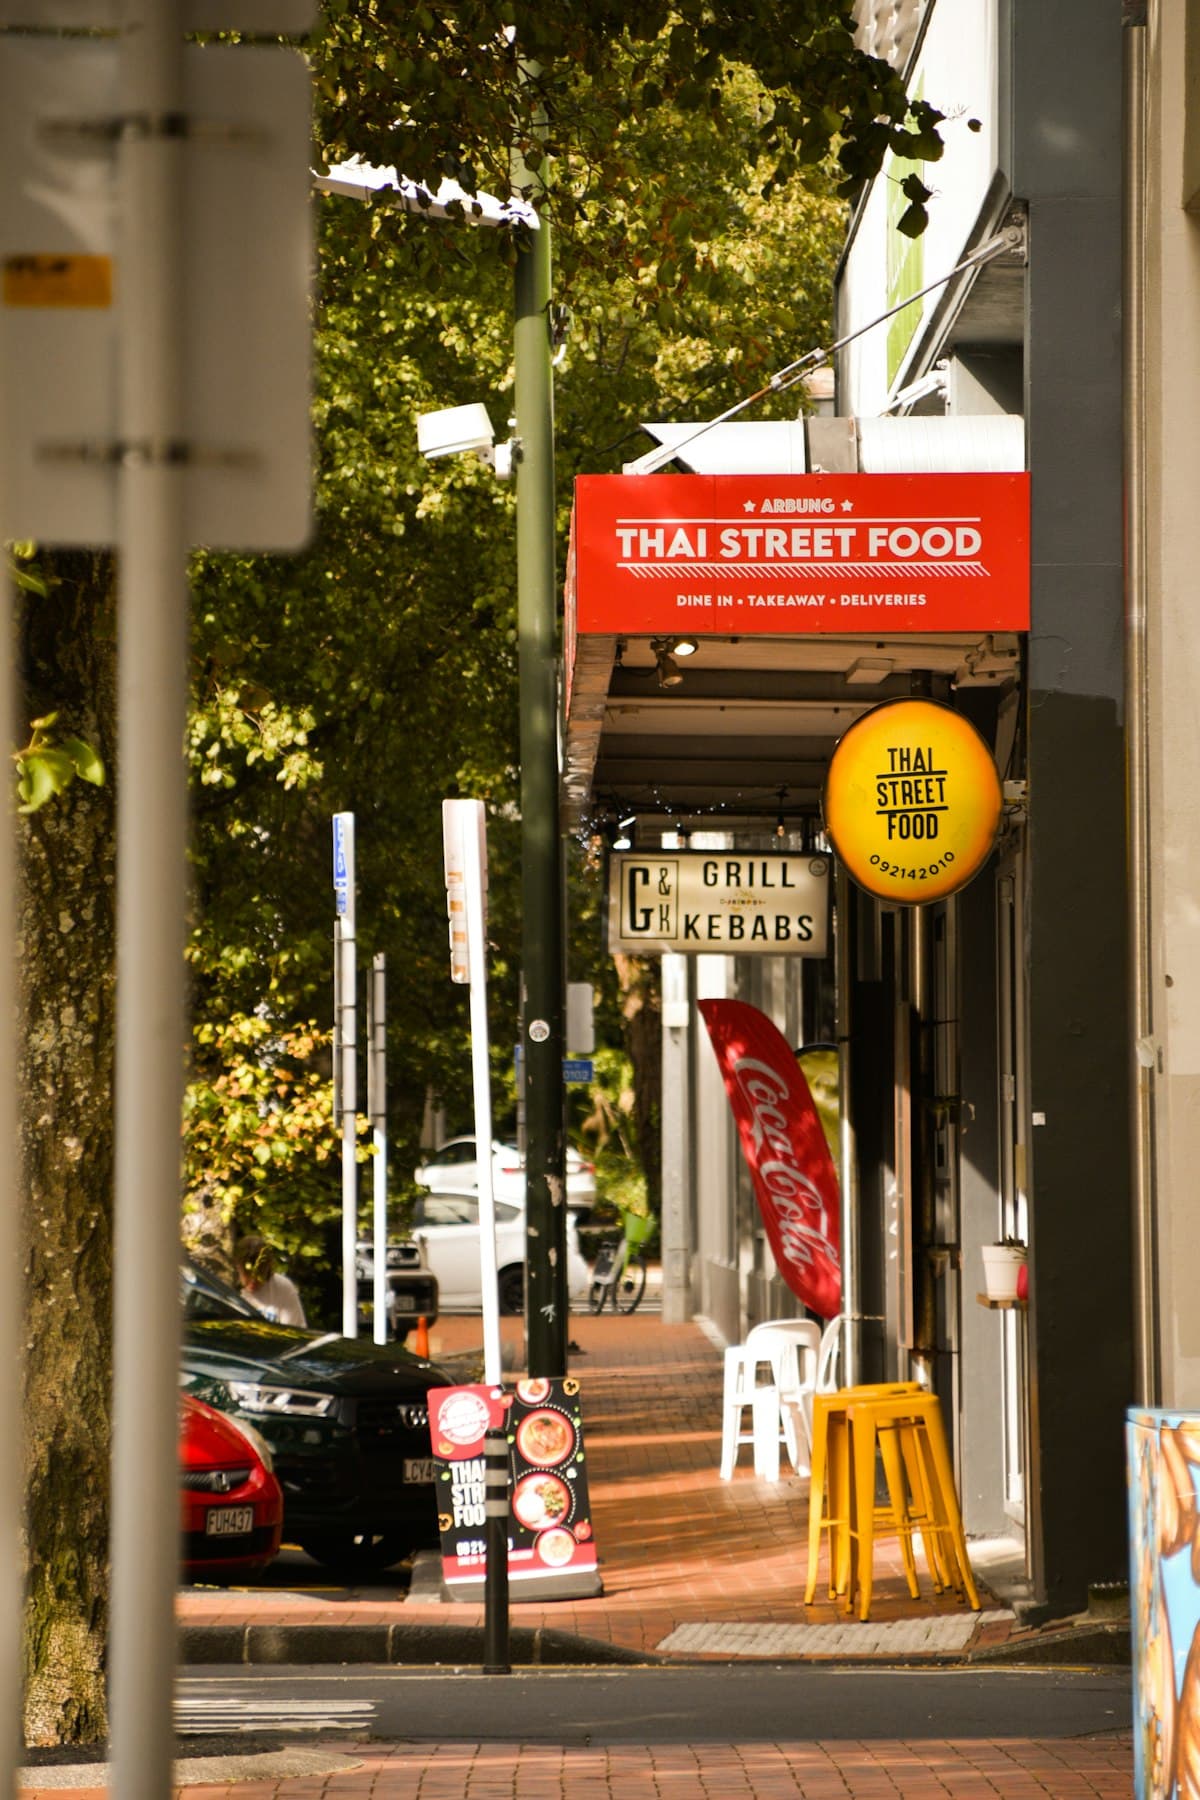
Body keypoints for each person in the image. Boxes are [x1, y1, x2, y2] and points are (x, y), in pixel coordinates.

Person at [234, 1235, 307, 1327]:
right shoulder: (227, 1287)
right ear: (238, 1267)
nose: (253, 1281)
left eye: (260, 1275)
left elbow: (294, 1331)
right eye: (247, 1274)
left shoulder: (283, 1288)